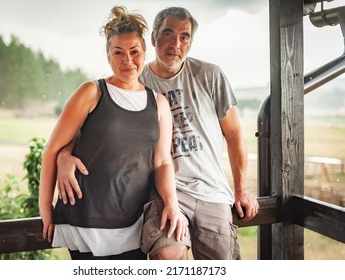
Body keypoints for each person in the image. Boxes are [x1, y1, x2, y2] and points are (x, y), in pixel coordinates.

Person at [56, 7, 259, 260]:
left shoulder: (210, 75)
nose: (176, 43)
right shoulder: (134, 79)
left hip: (212, 191)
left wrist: (241, 189)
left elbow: (235, 134)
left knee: (221, 263)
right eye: (167, 34)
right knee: (167, 255)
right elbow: (88, 127)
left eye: (184, 36)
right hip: (163, 192)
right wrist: (63, 155)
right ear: (152, 39)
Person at [38, 6, 187, 260]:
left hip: (134, 221)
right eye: (118, 53)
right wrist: (45, 210)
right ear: (108, 56)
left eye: (134, 52)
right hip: (86, 222)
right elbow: (53, 149)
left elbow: (162, 162)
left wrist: (172, 203)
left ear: (144, 52)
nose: (127, 60)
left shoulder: (159, 103)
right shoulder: (91, 92)